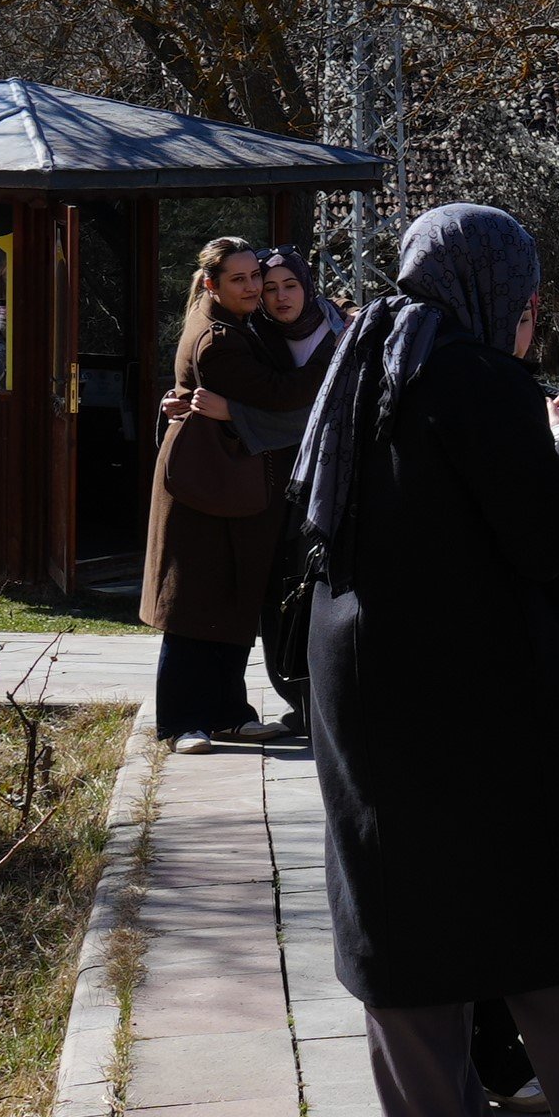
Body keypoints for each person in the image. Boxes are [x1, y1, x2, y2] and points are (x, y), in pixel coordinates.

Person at [289, 203, 559, 1117]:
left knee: (402, 901)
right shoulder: (473, 375)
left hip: (361, 668)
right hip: (476, 678)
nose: (530, 319)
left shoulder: (366, 352)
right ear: (496, 291)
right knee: (550, 893)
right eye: (527, 299)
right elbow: (540, 535)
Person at [145, 240, 311, 752]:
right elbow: (281, 394)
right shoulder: (219, 339)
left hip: (231, 489)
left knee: (232, 598)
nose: (254, 287)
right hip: (208, 488)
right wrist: (338, 359)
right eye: (238, 279)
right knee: (193, 604)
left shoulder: (236, 323)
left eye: (255, 276)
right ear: (212, 283)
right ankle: (179, 721)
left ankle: (227, 713)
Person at [234, 247, 347, 749]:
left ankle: (330, 702)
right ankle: (297, 704)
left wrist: (230, 414)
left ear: (308, 286)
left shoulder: (344, 333)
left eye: (290, 286)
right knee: (279, 594)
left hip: (335, 481)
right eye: (271, 287)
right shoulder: (257, 339)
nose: (280, 297)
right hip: (276, 483)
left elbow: (328, 414)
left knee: (323, 593)